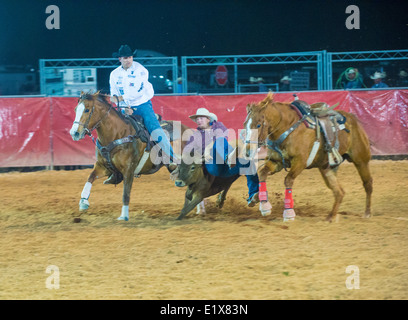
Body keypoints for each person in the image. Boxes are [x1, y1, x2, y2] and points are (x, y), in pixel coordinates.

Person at [108, 44, 178, 183]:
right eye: (125, 57)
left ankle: (173, 159)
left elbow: (135, 92)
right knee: (113, 131)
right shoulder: (114, 74)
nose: (128, 60)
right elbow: (113, 96)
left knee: (154, 129)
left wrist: (124, 103)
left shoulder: (140, 70)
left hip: (142, 104)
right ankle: (115, 168)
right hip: (124, 107)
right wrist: (123, 106)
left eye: (130, 57)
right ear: (119, 59)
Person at [182, 108, 260, 207]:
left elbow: (222, 138)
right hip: (212, 165)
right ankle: (228, 158)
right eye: (197, 119)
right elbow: (188, 153)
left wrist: (208, 148)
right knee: (219, 142)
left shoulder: (218, 126)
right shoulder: (195, 135)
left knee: (248, 163)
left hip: (226, 166)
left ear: (208, 119)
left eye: (201, 118)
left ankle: (253, 194)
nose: (198, 120)